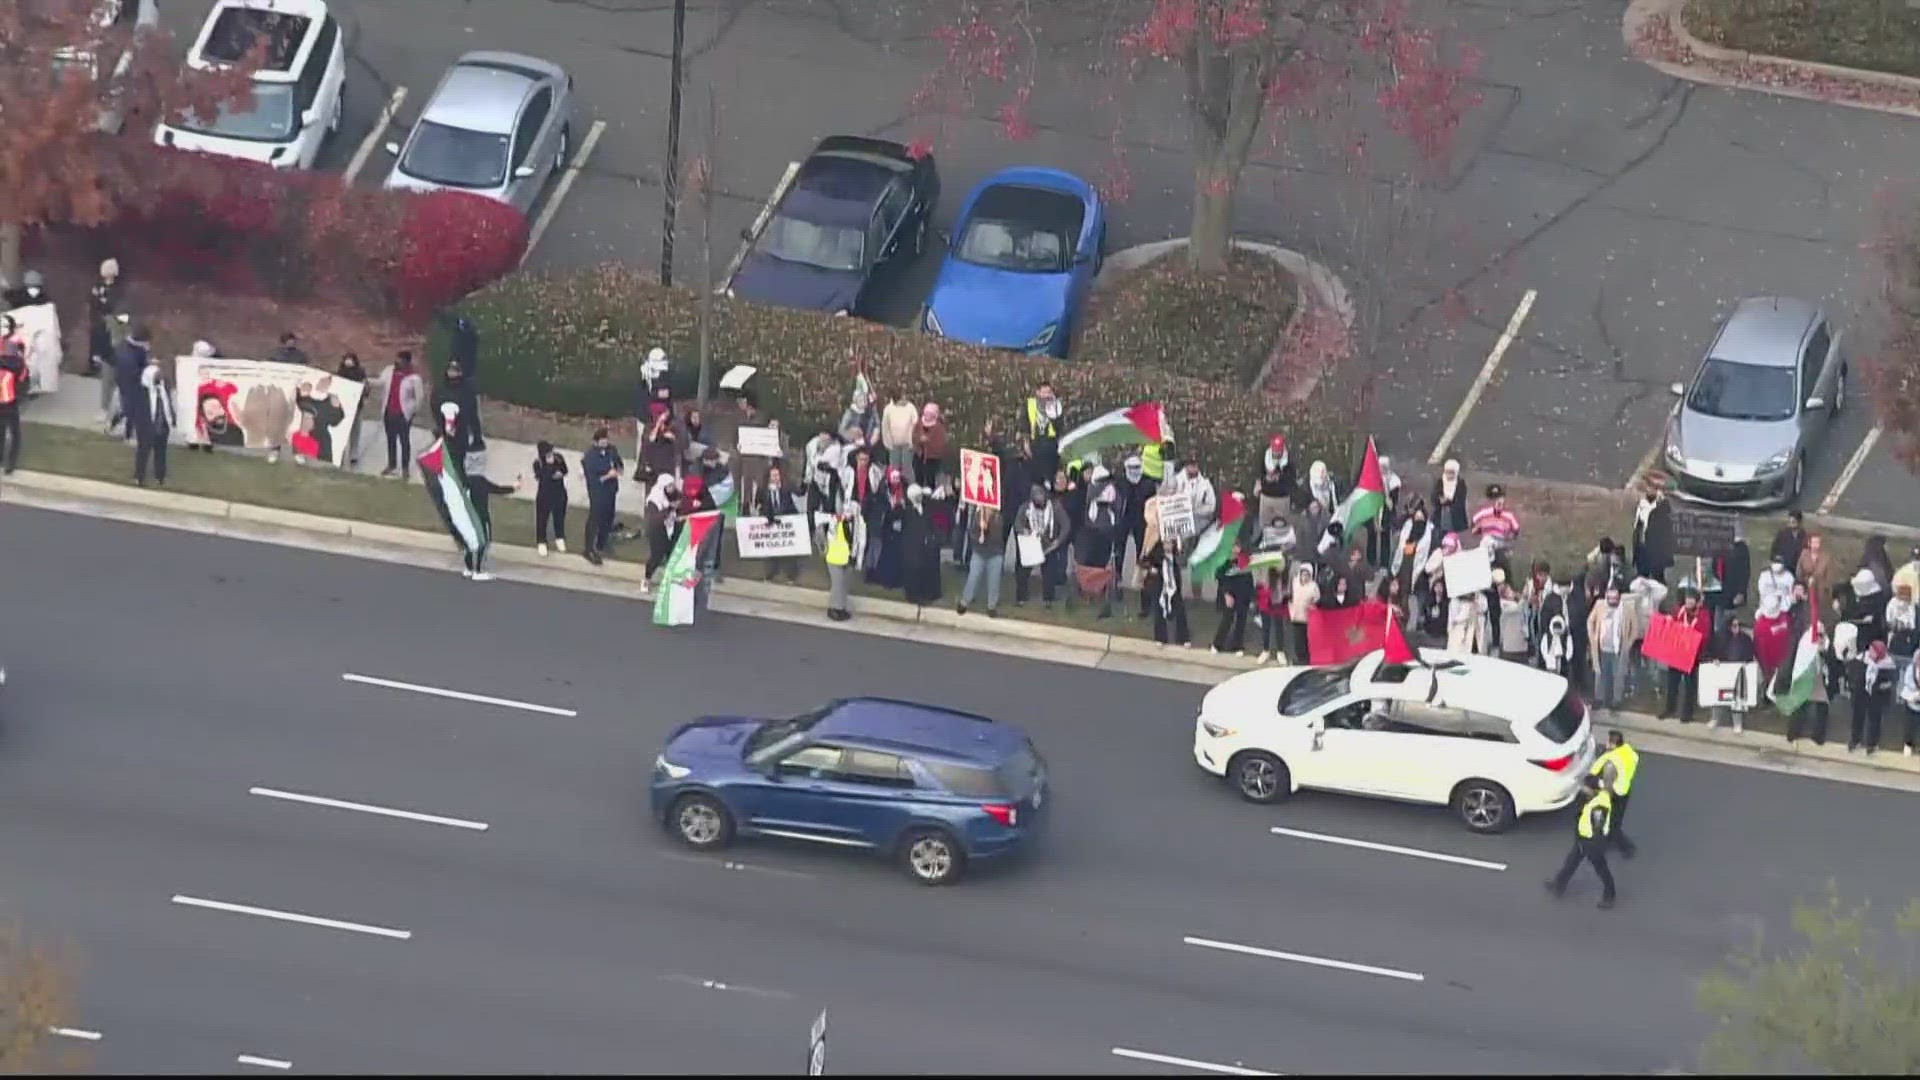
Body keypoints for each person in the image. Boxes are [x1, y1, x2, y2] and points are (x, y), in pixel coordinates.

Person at [1544, 773, 1617, 909]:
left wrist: (1592, 845)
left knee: (1601, 869)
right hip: (1583, 838)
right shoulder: (1596, 798)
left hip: (1591, 842)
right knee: (1571, 861)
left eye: (1585, 788)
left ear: (1592, 789)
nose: (1583, 789)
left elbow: (1597, 826)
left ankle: (1610, 895)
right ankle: (1559, 884)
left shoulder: (1599, 805)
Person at [1658, 589, 1713, 723]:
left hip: (1692, 654)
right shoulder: (1679, 610)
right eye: (1687, 599)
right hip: (1677, 653)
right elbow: (1672, 625)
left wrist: (1691, 636)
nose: (1689, 601)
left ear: (1697, 601)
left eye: (1692, 599)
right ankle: (1670, 708)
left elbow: (1706, 634)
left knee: (1690, 685)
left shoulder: (1703, 615)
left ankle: (1687, 713)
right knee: (1672, 683)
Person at [1589, 730, 1640, 859]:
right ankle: (1608, 840)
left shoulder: (1611, 757)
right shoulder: (1630, 752)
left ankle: (1627, 847)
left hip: (1614, 792)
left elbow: (1593, 772)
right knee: (1614, 819)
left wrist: (1596, 782)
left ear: (1613, 744)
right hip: (1625, 790)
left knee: (1612, 823)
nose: (1606, 743)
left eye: (1608, 742)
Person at [1013, 482, 1064, 607]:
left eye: (1040, 494)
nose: (1038, 497)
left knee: (1049, 572)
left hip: (1048, 543)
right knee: (1023, 570)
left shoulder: (1055, 507)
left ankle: (1048, 599)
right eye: (1035, 494)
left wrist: (1058, 540)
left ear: (1046, 495)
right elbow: (1017, 523)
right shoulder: (1025, 507)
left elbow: (1066, 524)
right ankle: (1021, 597)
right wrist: (1023, 530)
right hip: (1031, 542)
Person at [377, 350, 425, 478]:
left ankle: (405, 468)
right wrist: (367, 382)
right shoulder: (389, 371)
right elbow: (380, 382)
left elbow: (419, 397)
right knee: (390, 440)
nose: (398, 362)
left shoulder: (414, 378)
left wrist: (412, 410)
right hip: (389, 412)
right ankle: (391, 465)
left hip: (403, 414)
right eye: (397, 359)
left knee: (404, 441)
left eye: (401, 360)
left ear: (407, 362)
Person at [580, 427, 623, 565]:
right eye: (602, 441)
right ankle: (588, 549)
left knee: (608, 516)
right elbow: (592, 479)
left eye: (606, 440)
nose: (605, 443)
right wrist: (607, 476)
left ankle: (601, 544)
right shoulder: (590, 457)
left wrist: (618, 471)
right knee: (595, 518)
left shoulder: (612, 450)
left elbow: (619, 464)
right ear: (596, 442)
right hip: (598, 491)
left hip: (611, 490)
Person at [755, 463, 803, 584]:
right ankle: (769, 575)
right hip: (771, 523)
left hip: (785, 521)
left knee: (788, 552)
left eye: (777, 475)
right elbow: (758, 504)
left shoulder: (787, 488)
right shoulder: (763, 489)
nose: (776, 478)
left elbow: (796, 499)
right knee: (770, 551)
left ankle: (791, 576)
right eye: (773, 475)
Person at [1587, 584, 1632, 711]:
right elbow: (1590, 621)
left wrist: (1628, 643)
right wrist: (1592, 637)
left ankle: (1616, 701)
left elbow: (1634, 627)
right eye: (1609, 598)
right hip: (1601, 648)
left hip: (1618, 649)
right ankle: (1599, 699)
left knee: (1618, 675)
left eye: (1615, 598)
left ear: (1619, 598)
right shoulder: (1600, 605)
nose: (1612, 601)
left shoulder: (1626, 609)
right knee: (1600, 674)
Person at [1848, 639, 1897, 754]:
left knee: (1874, 719)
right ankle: (1855, 740)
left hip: (1877, 696)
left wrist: (1882, 686)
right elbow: (1854, 673)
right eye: (1870, 649)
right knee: (1858, 716)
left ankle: (1872, 743)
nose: (1870, 652)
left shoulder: (1888, 664)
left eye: (1873, 651)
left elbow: (1891, 681)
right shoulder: (1861, 658)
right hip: (1861, 692)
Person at [957, 505, 1005, 617]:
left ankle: (991, 606)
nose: (988, 510)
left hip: (995, 554)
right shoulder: (977, 516)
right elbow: (972, 533)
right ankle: (965, 601)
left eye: (991, 509)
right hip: (979, 553)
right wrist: (979, 534)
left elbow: (997, 536)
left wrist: (986, 528)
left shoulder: (998, 519)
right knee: (973, 577)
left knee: (994, 581)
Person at [1143, 533, 1190, 647]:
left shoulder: (1176, 555)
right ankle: (1160, 638)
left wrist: (1179, 547)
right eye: (1166, 543)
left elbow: (1183, 562)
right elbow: (1145, 561)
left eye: (1170, 543)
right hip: (1158, 586)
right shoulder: (1156, 554)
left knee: (1179, 610)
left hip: (1173, 587)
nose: (1168, 546)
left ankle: (1183, 638)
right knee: (1158, 611)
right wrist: (1151, 568)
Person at [1712, 616, 1757, 734]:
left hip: (1738, 673)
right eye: (1734, 626)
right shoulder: (1721, 638)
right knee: (1718, 697)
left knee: (1737, 699)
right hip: (1724, 672)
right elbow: (1714, 652)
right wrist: (1715, 659)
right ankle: (1715, 718)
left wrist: (1746, 662)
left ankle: (1737, 723)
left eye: (1738, 626)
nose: (1737, 628)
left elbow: (1750, 653)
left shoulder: (1745, 639)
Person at [1212, 542, 1255, 655]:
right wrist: (1226, 594)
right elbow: (1220, 578)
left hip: (1243, 594)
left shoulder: (1245, 560)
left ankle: (1237, 646)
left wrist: (1251, 596)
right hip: (1230, 594)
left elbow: (1249, 579)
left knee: (1241, 620)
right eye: (1233, 547)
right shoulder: (1225, 560)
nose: (1235, 549)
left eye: (1237, 547)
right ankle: (1217, 644)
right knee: (1227, 619)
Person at [110, 321, 150, 443]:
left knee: (127, 408)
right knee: (132, 409)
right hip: (132, 382)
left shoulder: (125, 347)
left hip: (123, 381)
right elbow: (139, 367)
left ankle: (113, 426)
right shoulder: (137, 351)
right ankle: (128, 435)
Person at [823, 500, 860, 621]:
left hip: (847, 558)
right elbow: (829, 534)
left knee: (843, 584)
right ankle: (834, 609)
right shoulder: (837, 522)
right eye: (847, 511)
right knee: (837, 584)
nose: (849, 514)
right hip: (834, 558)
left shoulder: (857, 523)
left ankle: (841, 608)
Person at [641, 471, 681, 584]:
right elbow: (655, 518)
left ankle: (671, 578)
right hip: (657, 530)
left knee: (672, 554)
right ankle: (647, 578)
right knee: (656, 556)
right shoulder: (654, 500)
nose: (672, 488)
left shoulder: (674, 494)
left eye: (673, 485)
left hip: (671, 528)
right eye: (670, 486)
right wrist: (669, 507)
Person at [1631, 482, 1674, 582]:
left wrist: (1661, 500)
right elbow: (1637, 526)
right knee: (1642, 577)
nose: (1649, 490)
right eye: (1648, 488)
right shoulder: (1641, 505)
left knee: (1658, 577)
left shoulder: (1661, 506)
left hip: (1656, 549)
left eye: (1652, 488)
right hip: (1642, 547)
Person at [532, 441, 569, 556]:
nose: (551, 454)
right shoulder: (538, 463)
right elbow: (541, 477)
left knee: (559, 517)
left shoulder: (558, 458)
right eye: (547, 452)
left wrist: (559, 472)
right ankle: (541, 542)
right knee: (542, 519)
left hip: (559, 493)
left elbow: (564, 470)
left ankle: (559, 538)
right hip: (545, 495)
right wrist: (549, 467)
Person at [87, 258, 123, 379]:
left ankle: (110, 369)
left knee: (110, 344)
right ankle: (94, 366)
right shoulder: (97, 286)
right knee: (96, 342)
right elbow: (92, 302)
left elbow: (116, 304)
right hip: (97, 320)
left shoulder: (117, 288)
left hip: (110, 321)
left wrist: (105, 302)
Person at [334, 351, 369, 468]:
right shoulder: (340, 372)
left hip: (356, 406)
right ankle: (340, 453)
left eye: (351, 359)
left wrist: (365, 394)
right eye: (347, 359)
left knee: (355, 430)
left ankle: (354, 454)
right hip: (343, 406)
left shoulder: (360, 372)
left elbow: (366, 386)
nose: (349, 361)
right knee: (342, 430)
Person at [1026, 380, 1063, 482]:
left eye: (1049, 392)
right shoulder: (1030, 404)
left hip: (1050, 444)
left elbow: (1060, 427)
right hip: (1035, 443)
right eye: (1044, 392)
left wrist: (1053, 413)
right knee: (1036, 474)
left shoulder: (1056, 405)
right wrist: (1026, 442)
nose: (1046, 395)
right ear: (1038, 392)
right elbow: (1024, 424)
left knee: (1050, 474)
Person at [0, 329, 24, 473]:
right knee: (14, 432)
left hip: (6, 399)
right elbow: (22, 381)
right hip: (10, 401)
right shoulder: (19, 364)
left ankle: (4, 460)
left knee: (3, 430)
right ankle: (10, 464)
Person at [1255, 565, 1285, 663]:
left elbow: (1285, 581)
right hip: (1265, 600)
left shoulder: (1281, 563)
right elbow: (1258, 583)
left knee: (1279, 627)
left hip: (1278, 601)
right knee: (1265, 627)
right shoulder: (1263, 565)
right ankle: (1265, 650)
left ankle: (1280, 651)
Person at [880, 390, 917, 470]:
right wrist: (887, 443)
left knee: (907, 467)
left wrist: (912, 440)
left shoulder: (911, 407)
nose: (905, 400)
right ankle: (894, 482)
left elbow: (915, 422)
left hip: (908, 444)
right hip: (893, 444)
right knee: (894, 467)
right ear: (897, 400)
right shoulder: (888, 409)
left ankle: (908, 482)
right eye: (902, 399)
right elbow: (885, 427)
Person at [1430, 458, 1468, 534]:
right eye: (1447, 472)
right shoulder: (1440, 481)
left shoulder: (1460, 484)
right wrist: (1439, 500)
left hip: (1454, 515)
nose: (1449, 475)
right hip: (1440, 514)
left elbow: (1461, 500)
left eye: (1452, 472)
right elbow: (1434, 496)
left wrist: (1449, 501)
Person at [1899, 648, 1920, 757]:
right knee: (1910, 724)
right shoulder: (1910, 668)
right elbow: (1907, 682)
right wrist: (1916, 693)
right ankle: (1908, 745)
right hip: (1911, 698)